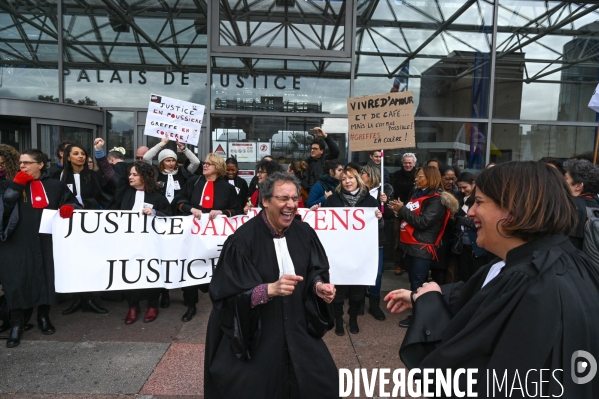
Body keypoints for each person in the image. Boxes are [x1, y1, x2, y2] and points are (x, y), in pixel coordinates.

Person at [384, 162, 599, 397]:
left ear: (515, 209)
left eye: (480, 202)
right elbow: (481, 296)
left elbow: (469, 370)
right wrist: (421, 297)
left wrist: (430, 306)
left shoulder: (532, 285)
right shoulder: (560, 261)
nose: (472, 212)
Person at [204, 172, 338, 399]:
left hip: (297, 326)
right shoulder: (241, 241)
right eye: (283, 198)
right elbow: (225, 294)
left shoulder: (304, 232)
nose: (291, 205)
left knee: (323, 383)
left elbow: (315, 269)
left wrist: (318, 286)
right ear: (265, 201)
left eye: (295, 199)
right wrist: (267, 290)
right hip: (258, 334)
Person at [0, 149, 80, 348]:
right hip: (16, 242)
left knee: (45, 276)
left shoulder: (55, 185)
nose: (22, 166)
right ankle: (17, 324)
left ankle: (43, 317)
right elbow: (4, 209)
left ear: (41, 164)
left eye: (27, 162)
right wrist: (15, 188)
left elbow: (74, 203)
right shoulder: (9, 184)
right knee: (16, 281)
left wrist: (69, 207)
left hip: (46, 241)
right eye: (20, 162)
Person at [388, 166, 458, 328]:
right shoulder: (416, 194)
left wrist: (403, 210)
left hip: (422, 246)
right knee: (414, 281)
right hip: (411, 245)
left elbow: (424, 223)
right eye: (416, 177)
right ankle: (419, 314)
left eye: (420, 177)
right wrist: (398, 209)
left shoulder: (436, 200)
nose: (416, 179)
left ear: (431, 178)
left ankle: (419, 318)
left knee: (418, 284)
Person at [176, 153, 240, 322]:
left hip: (216, 238)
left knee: (218, 269)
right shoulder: (193, 182)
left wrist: (223, 212)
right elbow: (179, 200)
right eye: (204, 163)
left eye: (209, 164)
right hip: (194, 234)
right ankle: (191, 305)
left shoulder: (228, 188)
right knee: (191, 265)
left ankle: (220, 304)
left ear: (218, 168)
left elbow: (236, 210)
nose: (204, 166)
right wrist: (190, 208)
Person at [109, 162, 171, 325]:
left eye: (135, 174)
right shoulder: (124, 193)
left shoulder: (157, 196)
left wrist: (156, 212)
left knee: (152, 271)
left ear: (144, 177)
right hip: (128, 242)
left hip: (151, 243)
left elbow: (170, 217)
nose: (130, 177)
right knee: (130, 273)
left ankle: (152, 305)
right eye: (130, 174)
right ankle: (133, 306)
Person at [60, 140, 116, 316]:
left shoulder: (93, 176)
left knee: (89, 259)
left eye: (83, 154)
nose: (80, 157)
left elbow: (103, 196)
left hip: (89, 224)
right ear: (67, 157)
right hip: (67, 224)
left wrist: (86, 204)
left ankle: (90, 297)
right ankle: (77, 297)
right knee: (72, 260)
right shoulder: (59, 175)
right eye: (76, 154)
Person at [325, 166, 383, 335]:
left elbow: (378, 229)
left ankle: (353, 319)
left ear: (357, 179)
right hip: (339, 252)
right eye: (343, 179)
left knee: (357, 291)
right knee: (339, 290)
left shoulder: (370, 201)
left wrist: (378, 219)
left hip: (360, 253)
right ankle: (338, 320)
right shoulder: (333, 200)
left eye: (350, 178)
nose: (347, 181)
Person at [360, 164, 394, 321]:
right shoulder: (357, 192)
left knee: (378, 272)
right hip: (360, 238)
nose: (361, 176)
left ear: (371, 175)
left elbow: (390, 216)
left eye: (363, 173)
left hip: (377, 238)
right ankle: (359, 301)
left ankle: (374, 303)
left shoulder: (384, 192)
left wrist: (385, 203)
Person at [142, 137, 201, 208]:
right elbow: (146, 158)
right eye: (168, 160)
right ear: (161, 162)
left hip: (178, 209)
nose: (171, 163)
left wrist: (183, 148)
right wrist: (162, 144)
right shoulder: (155, 172)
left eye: (173, 160)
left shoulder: (182, 172)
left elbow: (196, 162)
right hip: (160, 209)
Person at [454, 172, 490, 282]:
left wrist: (463, 219)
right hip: (462, 245)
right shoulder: (459, 198)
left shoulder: (481, 199)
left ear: (473, 184)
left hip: (477, 246)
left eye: (465, 187)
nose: (462, 191)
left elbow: (481, 222)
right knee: (463, 275)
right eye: (460, 188)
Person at [563, 159, 599, 250]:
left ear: (578, 186)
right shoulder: (595, 205)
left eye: (565, 178)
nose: (561, 181)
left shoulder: (568, 207)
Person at [392, 153, 418, 276]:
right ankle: (399, 264)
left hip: (415, 211)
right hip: (399, 211)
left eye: (410, 163)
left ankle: (410, 264)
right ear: (402, 163)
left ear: (414, 163)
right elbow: (395, 189)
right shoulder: (396, 175)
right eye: (405, 162)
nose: (408, 165)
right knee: (398, 237)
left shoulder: (418, 174)